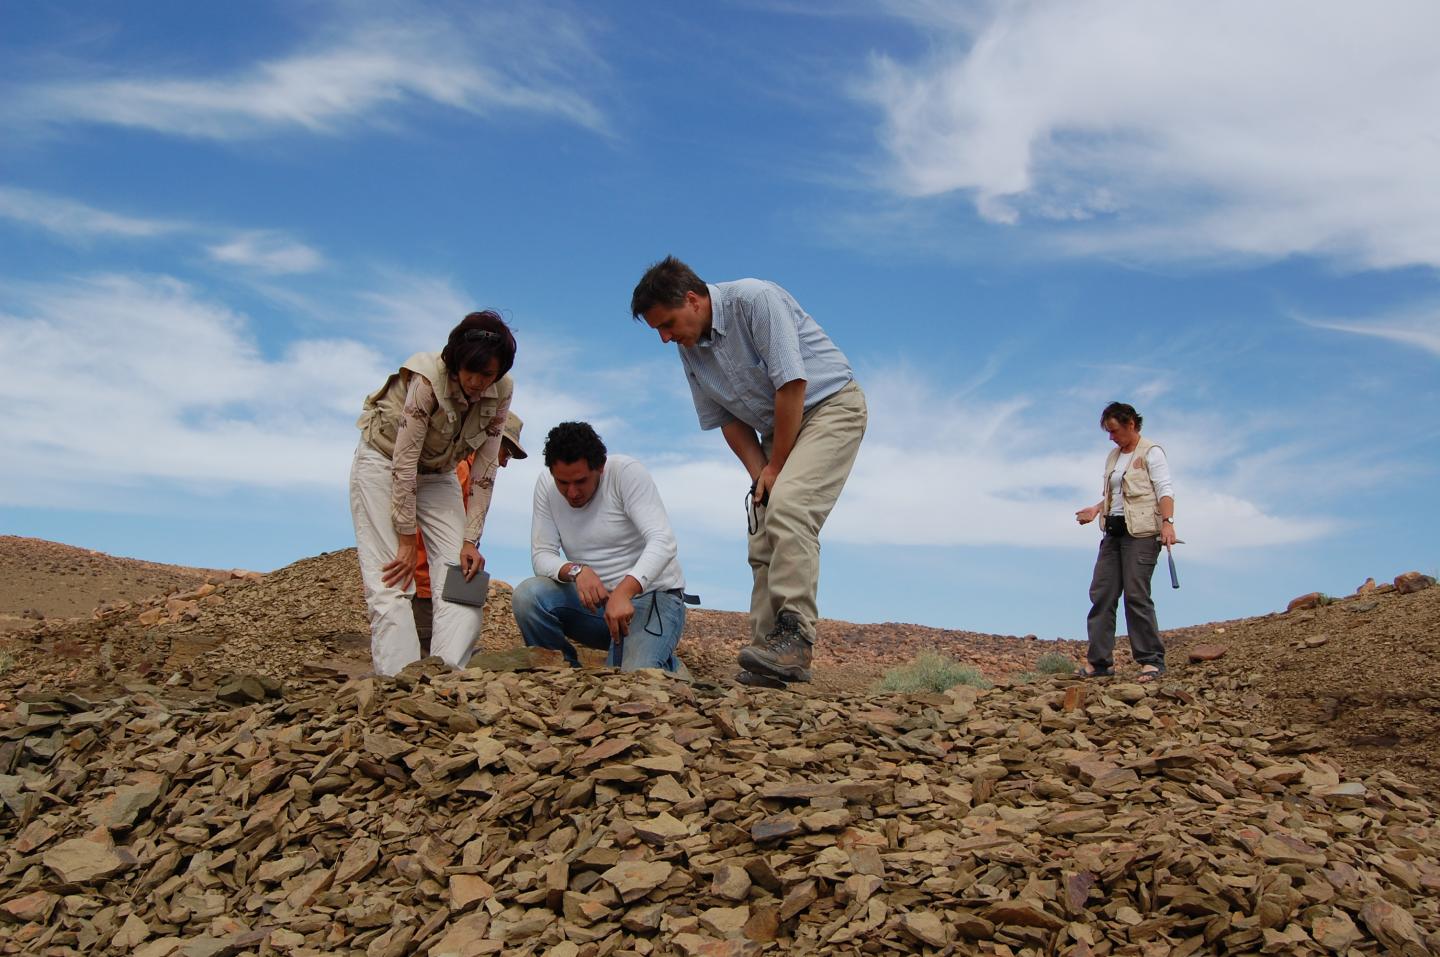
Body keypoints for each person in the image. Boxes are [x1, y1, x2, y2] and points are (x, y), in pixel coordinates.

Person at [631, 256, 866, 686]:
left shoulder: (756, 300)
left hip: (829, 407)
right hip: (777, 427)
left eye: (667, 324)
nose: (665, 338)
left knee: (790, 507)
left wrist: (778, 468)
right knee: (762, 526)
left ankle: (795, 639)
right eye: (658, 331)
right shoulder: (691, 350)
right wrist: (762, 475)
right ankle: (768, 655)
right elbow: (726, 419)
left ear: (692, 300)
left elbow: (792, 383)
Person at [350, 311, 516, 676]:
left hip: (439, 472)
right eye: (468, 370)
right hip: (384, 461)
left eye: (486, 374)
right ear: (454, 360)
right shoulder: (427, 380)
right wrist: (407, 538)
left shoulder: (502, 390)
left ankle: (447, 680)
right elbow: (403, 462)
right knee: (391, 577)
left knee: (462, 573)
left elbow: (486, 468)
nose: (475, 382)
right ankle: (399, 684)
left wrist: (471, 540)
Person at [513, 421, 690, 675]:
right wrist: (577, 570)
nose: (572, 492)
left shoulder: (626, 473)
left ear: (601, 467)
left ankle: (667, 667)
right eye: (562, 482)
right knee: (529, 596)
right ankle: (561, 675)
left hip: (653, 598)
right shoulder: (546, 486)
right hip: (597, 608)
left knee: (631, 680)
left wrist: (624, 592)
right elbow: (542, 555)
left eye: (581, 481)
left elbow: (663, 541)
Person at [1074, 401, 1177, 683]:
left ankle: (1151, 661)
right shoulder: (1113, 456)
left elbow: (1164, 490)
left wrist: (1167, 523)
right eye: (1108, 432)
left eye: (1115, 430)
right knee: (1102, 594)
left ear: (1131, 424)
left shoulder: (1151, 452)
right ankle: (1100, 662)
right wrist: (1096, 509)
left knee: (1136, 595)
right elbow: (1115, 493)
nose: (1111, 436)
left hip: (1142, 534)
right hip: (1114, 532)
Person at [412, 413, 529, 653]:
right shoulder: (460, 472)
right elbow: (428, 534)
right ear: (490, 440)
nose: (505, 463)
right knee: (428, 663)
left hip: (432, 584)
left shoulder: (469, 474)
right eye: (505, 452)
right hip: (425, 586)